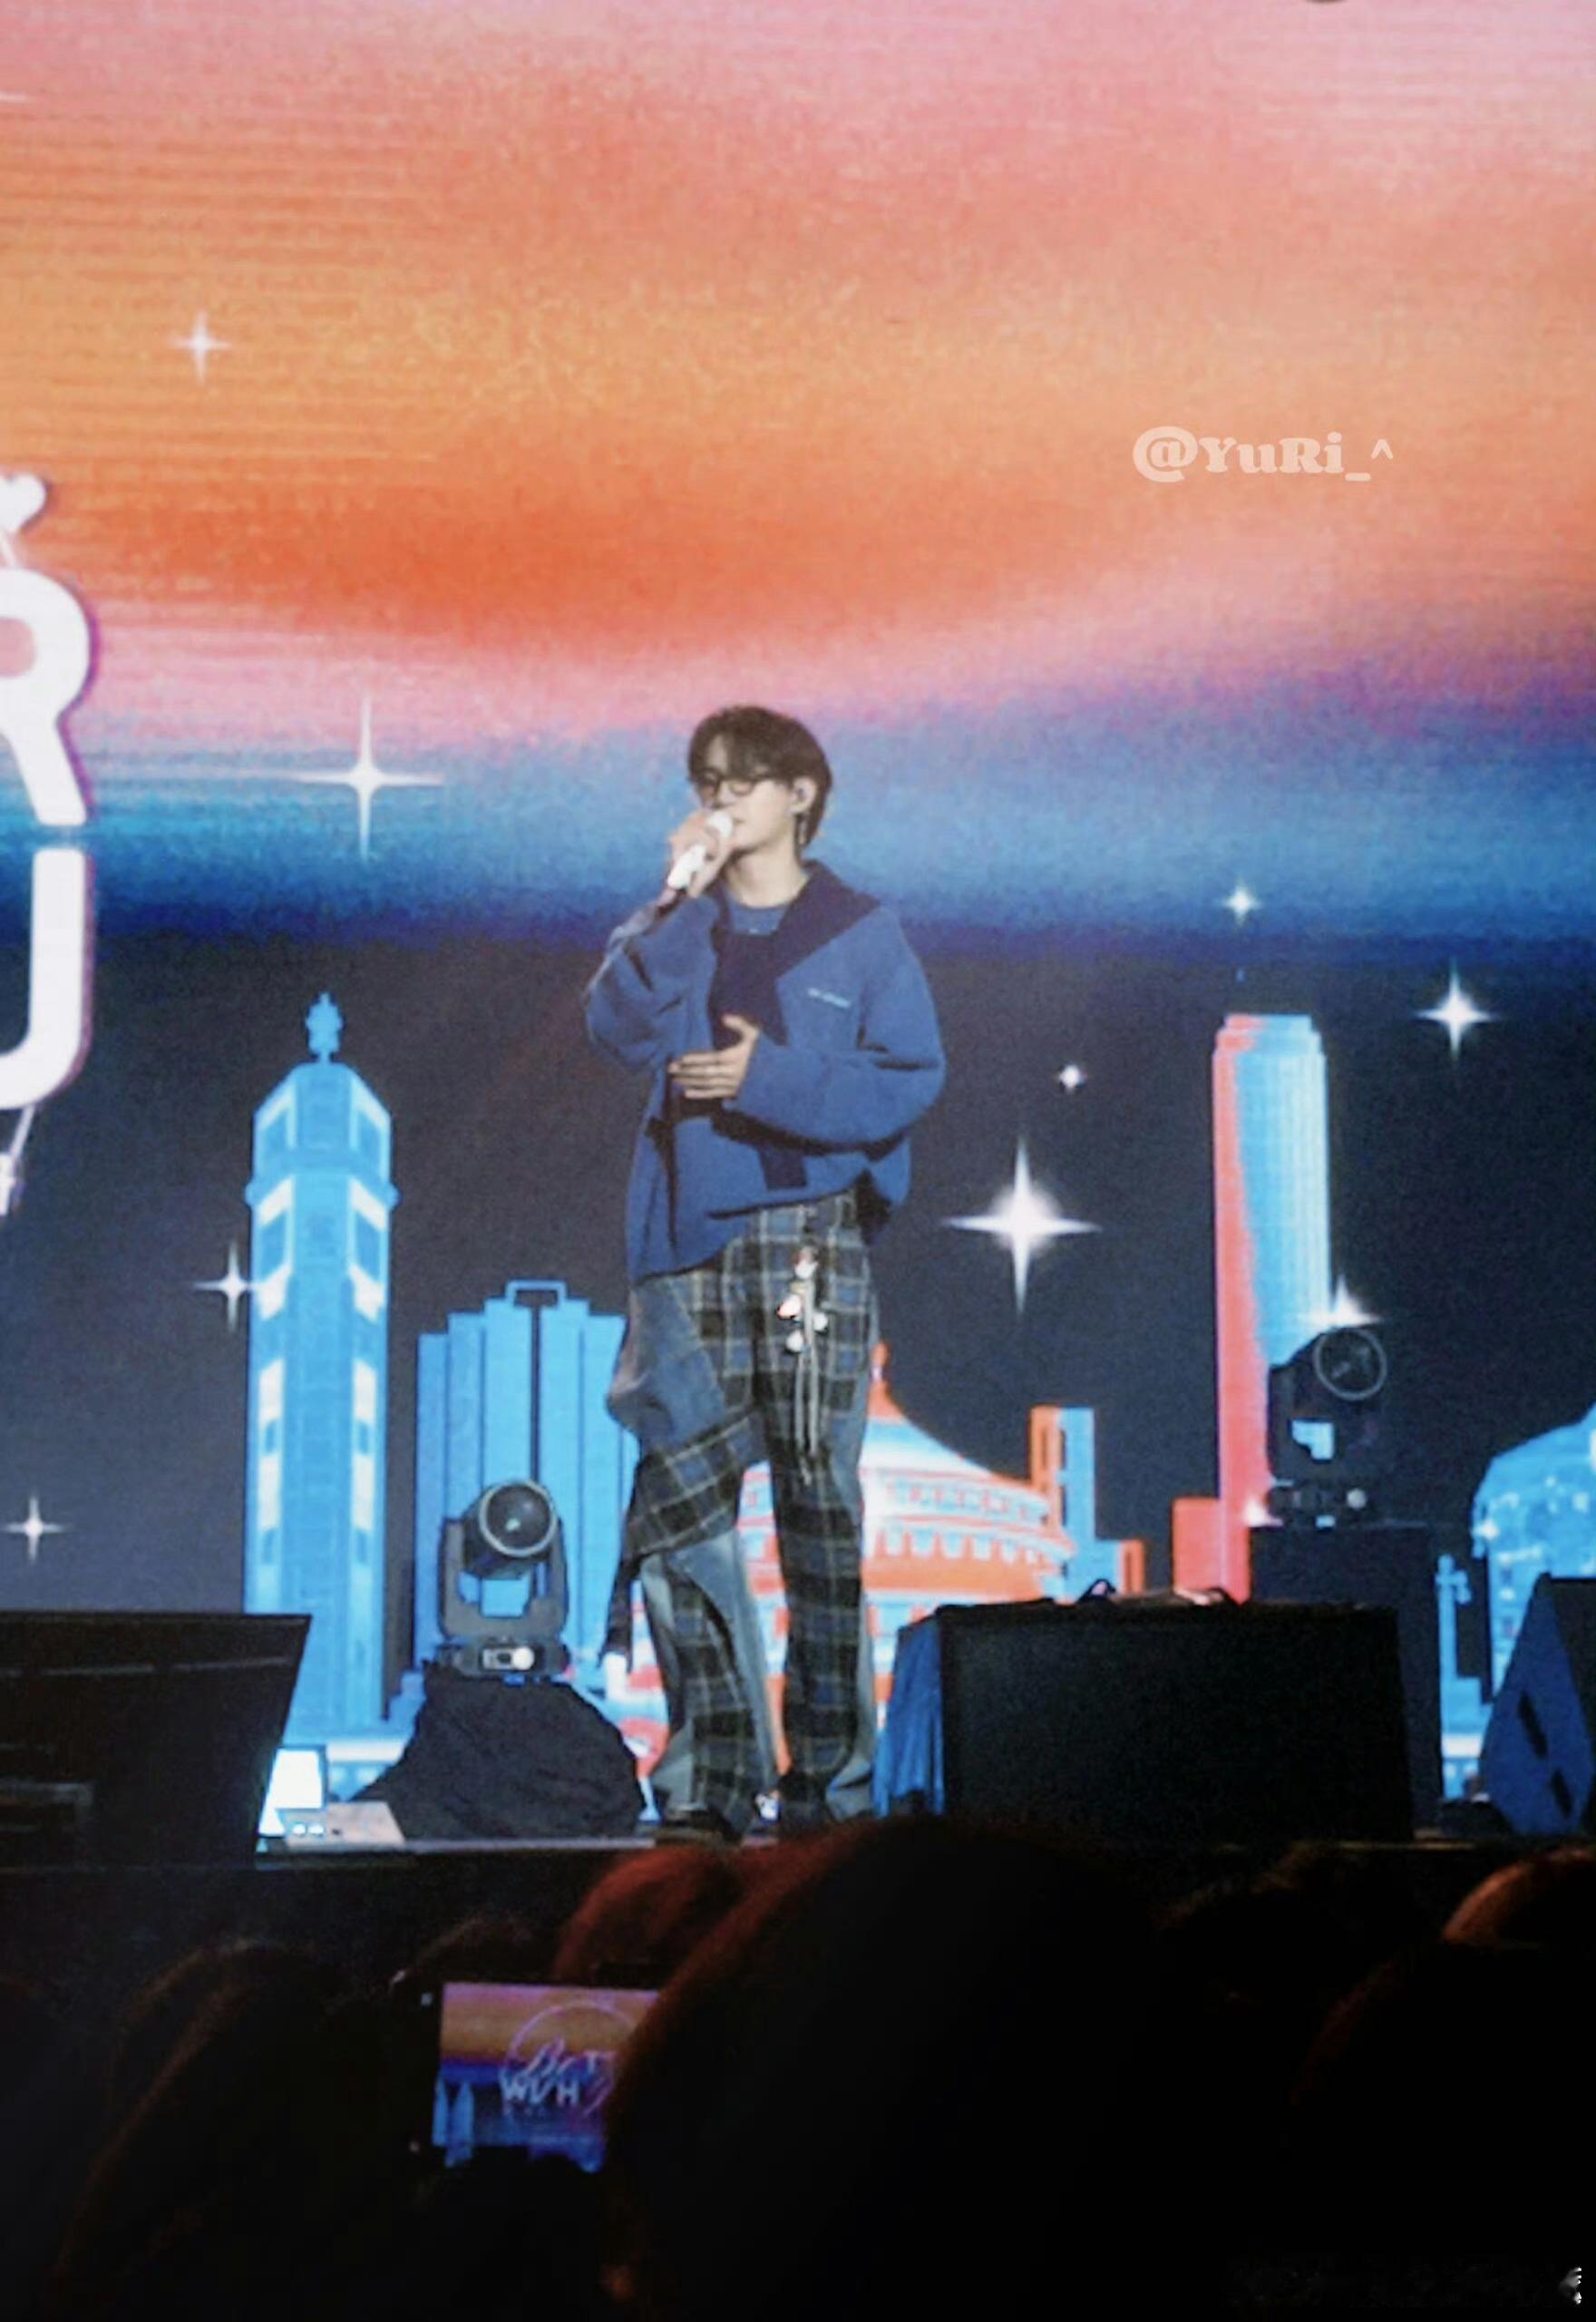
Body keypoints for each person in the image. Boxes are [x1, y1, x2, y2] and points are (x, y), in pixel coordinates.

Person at [585, 706, 944, 1840]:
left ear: (801, 794)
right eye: (706, 780)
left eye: (743, 779)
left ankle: (830, 1784)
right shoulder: (676, 921)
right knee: (678, 1504)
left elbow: (908, 1077)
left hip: (808, 1242)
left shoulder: (859, 932)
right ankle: (708, 1777)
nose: (720, 798)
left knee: (816, 1504)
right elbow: (615, 1025)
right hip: (684, 1246)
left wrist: (763, 1077)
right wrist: (676, 898)